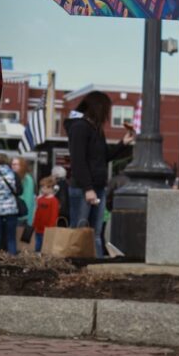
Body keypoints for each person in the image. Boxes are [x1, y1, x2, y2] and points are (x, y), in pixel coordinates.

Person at [63, 91, 134, 258]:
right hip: (83, 189)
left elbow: (104, 156)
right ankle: (75, 269)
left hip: (97, 187)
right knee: (79, 232)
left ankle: (96, 268)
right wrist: (88, 188)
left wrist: (123, 143)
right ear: (98, 107)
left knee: (96, 233)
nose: (108, 114)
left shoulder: (95, 129)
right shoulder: (79, 127)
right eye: (107, 109)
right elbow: (78, 161)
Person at [0, 154, 20, 256]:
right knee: (11, 237)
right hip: (11, 209)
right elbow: (20, 191)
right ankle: (12, 259)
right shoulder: (13, 173)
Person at [31, 176, 60, 252]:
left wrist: (50, 227)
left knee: (45, 246)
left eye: (45, 187)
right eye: (42, 187)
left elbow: (54, 215)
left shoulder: (54, 201)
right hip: (38, 227)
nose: (42, 189)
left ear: (51, 188)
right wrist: (34, 224)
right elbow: (36, 213)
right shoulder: (39, 199)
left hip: (47, 229)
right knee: (37, 245)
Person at [12, 156, 35, 242]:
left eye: (16, 164)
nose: (13, 166)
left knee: (18, 239)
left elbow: (28, 199)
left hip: (22, 214)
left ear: (22, 165)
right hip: (13, 212)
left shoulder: (27, 179)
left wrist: (28, 217)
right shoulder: (12, 176)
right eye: (12, 164)